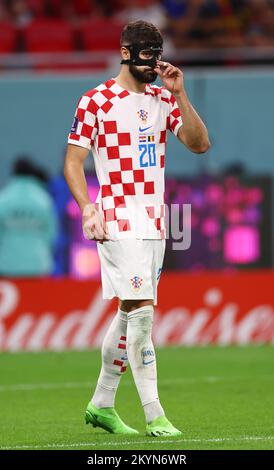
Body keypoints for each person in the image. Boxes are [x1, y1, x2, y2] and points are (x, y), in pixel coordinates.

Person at [64, 20, 210, 437]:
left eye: (157, 53)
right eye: (147, 54)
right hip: (116, 218)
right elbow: (73, 162)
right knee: (144, 314)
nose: (154, 63)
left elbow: (199, 144)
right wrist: (88, 208)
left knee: (130, 312)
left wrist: (180, 93)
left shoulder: (164, 99)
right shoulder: (96, 101)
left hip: (155, 222)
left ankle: (101, 404)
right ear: (127, 53)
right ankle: (155, 414)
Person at [0, 158, 58, 277]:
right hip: (38, 264)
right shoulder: (43, 199)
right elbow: (52, 234)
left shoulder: (4, 198)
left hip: (7, 263)